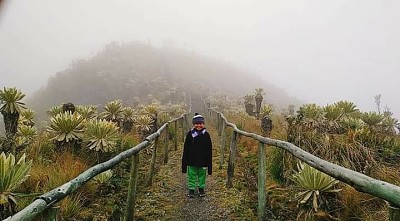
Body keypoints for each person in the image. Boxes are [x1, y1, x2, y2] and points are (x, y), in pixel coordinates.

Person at [182, 113, 213, 198]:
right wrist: (185, 162)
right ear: (193, 124)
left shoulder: (206, 135)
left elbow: (209, 150)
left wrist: (209, 163)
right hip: (191, 160)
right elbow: (186, 148)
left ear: (203, 124)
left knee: (202, 175)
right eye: (197, 123)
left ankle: (201, 188)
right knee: (191, 175)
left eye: (201, 123)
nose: (199, 125)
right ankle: (191, 189)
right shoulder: (190, 134)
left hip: (203, 160)